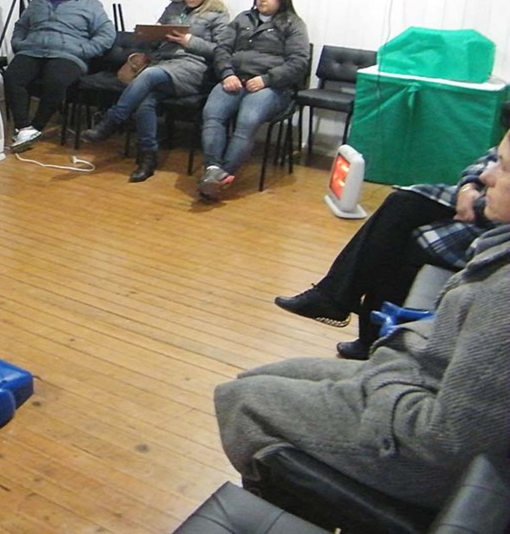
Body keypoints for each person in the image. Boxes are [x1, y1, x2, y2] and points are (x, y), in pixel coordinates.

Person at [215, 129, 510, 510]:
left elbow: (448, 442)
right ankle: (336, 302)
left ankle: (291, 506)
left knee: (240, 400)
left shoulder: (502, 295)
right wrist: (397, 358)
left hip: (425, 436)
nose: (489, 175)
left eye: (503, 168)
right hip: (417, 382)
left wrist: (386, 367)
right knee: (253, 377)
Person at [275, 145, 501, 359]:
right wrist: (468, 186)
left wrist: (477, 200)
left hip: (495, 224)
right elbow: (490, 159)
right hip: (485, 202)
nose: (488, 175)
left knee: (406, 242)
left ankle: (360, 327)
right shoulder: (496, 165)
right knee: (401, 205)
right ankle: (338, 302)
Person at [82, 0, 230, 183]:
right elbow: (158, 33)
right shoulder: (175, 6)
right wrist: (151, 34)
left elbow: (221, 50)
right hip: (163, 61)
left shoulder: (218, 13)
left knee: (149, 76)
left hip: (192, 67)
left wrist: (190, 41)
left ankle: (112, 121)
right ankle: (148, 159)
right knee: (145, 102)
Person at [198, 0, 310, 200]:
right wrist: (227, 73)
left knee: (247, 121)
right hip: (235, 80)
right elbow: (222, 49)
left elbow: (299, 62)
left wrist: (267, 79)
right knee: (212, 114)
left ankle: (224, 175)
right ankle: (212, 170)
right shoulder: (242, 19)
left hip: (271, 87)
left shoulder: (293, 24)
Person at [4, 0, 115, 150]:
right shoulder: (38, 1)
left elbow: (107, 33)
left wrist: (84, 50)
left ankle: (37, 127)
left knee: (55, 80)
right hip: (33, 50)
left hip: (68, 54)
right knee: (12, 76)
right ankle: (23, 127)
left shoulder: (91, 5)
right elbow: (21, 25)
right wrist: (18, 44)